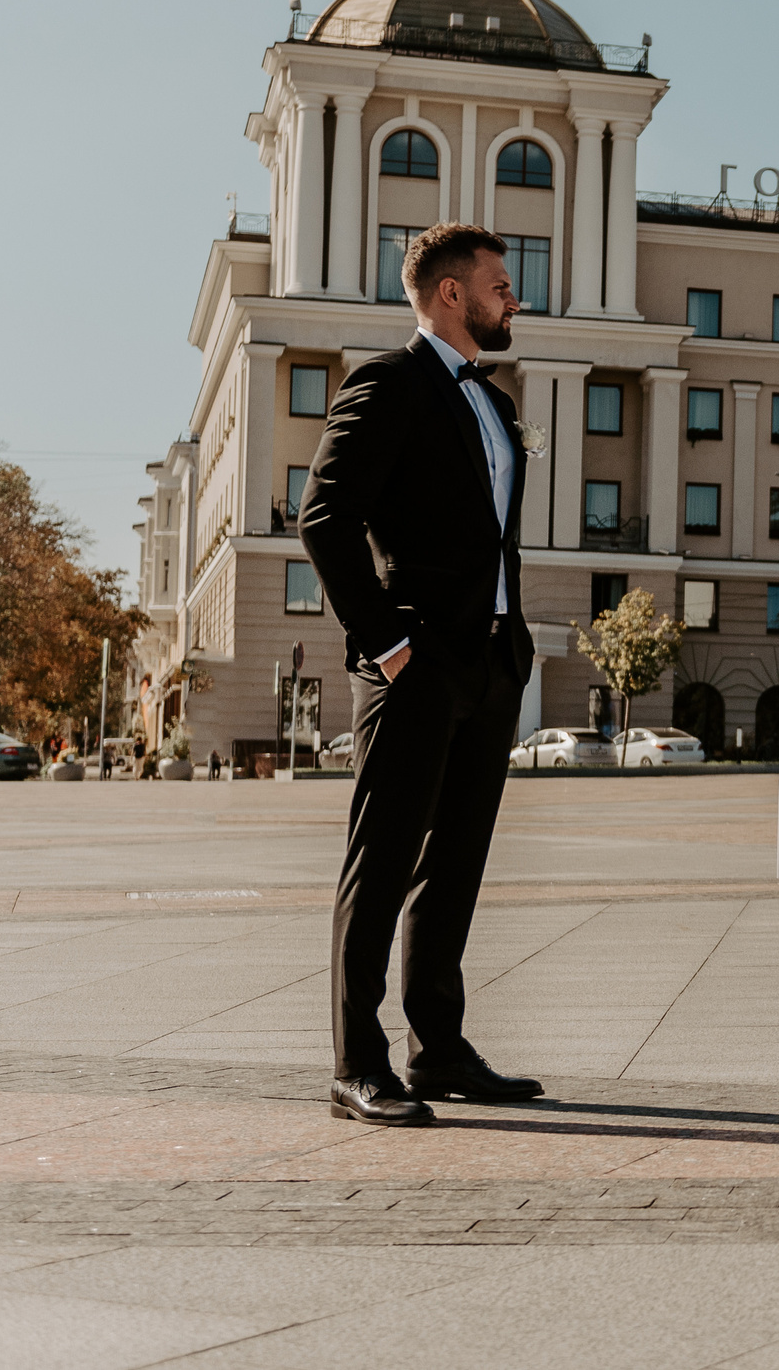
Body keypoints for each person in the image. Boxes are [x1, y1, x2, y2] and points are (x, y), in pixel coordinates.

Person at [299, 221, 542, 1126]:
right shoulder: (389, 383)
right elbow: (324, 518)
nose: (512, 298)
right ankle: (357, 1062)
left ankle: (438, 1047)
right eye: (499, 285)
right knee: (385, 859)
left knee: (457, 864)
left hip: (489, 660)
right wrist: (389, 645)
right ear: (451, 293)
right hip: (416, 666)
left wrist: (507, 647)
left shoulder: (497, 402)